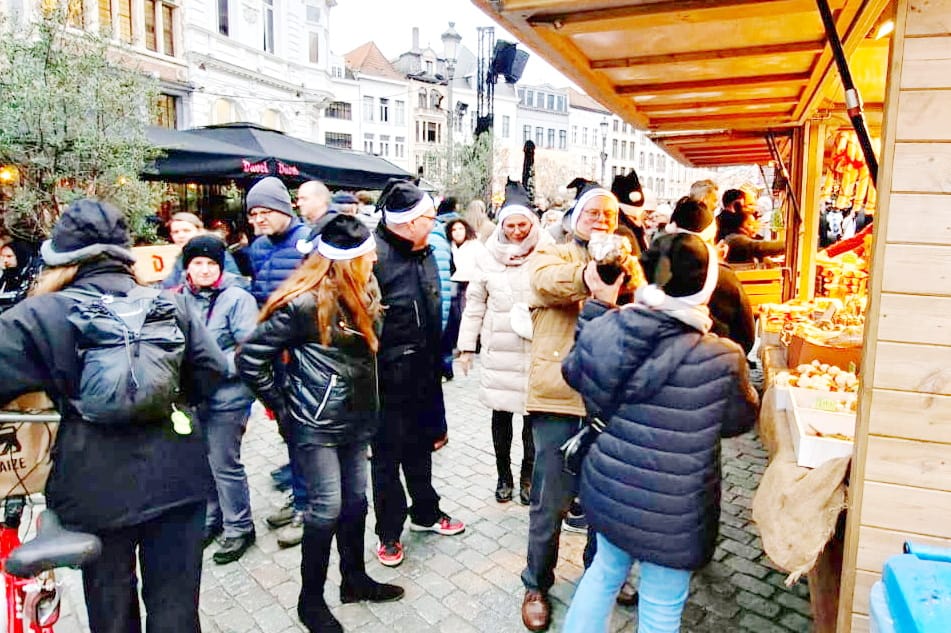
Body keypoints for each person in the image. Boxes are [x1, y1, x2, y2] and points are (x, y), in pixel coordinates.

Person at [0, 199, 229, 633]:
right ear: (125, 254)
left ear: (60, 259)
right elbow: (214, 371)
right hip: (178, 475)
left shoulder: (39, 314)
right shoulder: (169, 303)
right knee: (176, 606)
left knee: (110, 608)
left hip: (93, 484)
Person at [560, 232, 759, 633]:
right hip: (677, 507)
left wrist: (596, 309)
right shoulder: (722, 357)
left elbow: (575, 373)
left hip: (612, 486)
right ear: (706, 287)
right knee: (662, 607)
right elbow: (737, 421)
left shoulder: (610, 325)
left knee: (602, 575)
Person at [238, 215, 404, 633]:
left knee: (356, 502)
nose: (375, 259)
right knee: (325, 508)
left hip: (357, 416)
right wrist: (285, 408)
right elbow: (250, 359)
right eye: (368, 254)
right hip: (315, 423)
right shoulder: (303, 301)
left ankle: (354, 579)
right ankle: (309, 600)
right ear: (348, 260)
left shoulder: (366, 288)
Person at [520, 183, 626, 632]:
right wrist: (591, 275)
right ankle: (536, 583)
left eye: (609, 214)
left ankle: (600, 576)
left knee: (604, 500)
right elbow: (544, 284)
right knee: (550, 501)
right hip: (558, 397)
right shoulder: (553, 253)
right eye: (592, 212)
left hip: (607, 398)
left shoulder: (626, 258)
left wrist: (626, 276)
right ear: (574, 217)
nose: (601, 219)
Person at [370, 180, 465, 569]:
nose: (435, 223)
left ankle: (425, 512)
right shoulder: (373, 257)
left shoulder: (423, 249)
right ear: (408, 223)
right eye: (429, 217)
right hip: (385, 378)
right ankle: (388, 532)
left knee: (421, 447)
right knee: (387, 458)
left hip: (423, 369)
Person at [457, 184, 551, 505]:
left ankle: (528, 476)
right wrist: (466, 347)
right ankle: (503, 475)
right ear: (501, 225)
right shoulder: (487, 255)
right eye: (510, 225)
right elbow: (474, 303)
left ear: (532, 223)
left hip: (535, 346)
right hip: (499, 348)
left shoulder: (547, 251)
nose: (516, 231)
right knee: (501, 416)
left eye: (522, 225)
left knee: (531, 419)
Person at [176, 235, 259, 564]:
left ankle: (240, 526)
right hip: (193, 395)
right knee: (201, 461)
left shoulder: (237, 298)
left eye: (212, 263)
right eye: (198, 263)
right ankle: (212, 517)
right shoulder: (178, 298)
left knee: (224, 462)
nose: (205, 269)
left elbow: (248, 348)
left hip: (228, 394)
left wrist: (209, 366)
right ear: (187, 267)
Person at [246, 176, 315, 548]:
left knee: (304, 431)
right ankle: (299, 494)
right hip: (274, 353)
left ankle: (308, 505)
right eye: (253, 213)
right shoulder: (257, 248)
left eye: (265, 211)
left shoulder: (309, 241)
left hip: (304, 354)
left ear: (283, 208)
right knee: (287, 428)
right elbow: (260, 294)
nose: (258, 219)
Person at [667, 197, 756, 354]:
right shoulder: (721, 275)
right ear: (709, 239)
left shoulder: (651, 268)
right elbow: (746, 336)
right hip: (715, 358)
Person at [161, 212, 242, 289]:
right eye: (176, 232)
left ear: (199, 231)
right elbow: (169, 283)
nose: (181, 236)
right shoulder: (181, 257)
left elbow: (235, 282)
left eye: (186, 231)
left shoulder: (217, 252)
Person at [445, 218, 485, 370]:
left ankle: (472, 343)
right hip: (454, 281)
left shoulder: (475, 245)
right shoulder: (449, 246)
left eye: (460, 229)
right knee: (454, 314)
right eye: (454, 230)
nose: (457, 233)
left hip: (471, 282)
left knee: (467, 312)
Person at [717, 189, 786, 264]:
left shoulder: (735, 230)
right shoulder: (733, 237)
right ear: (734, 207)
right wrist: (789, 244)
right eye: (749, 205)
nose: (754, 208)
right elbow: (758, 247)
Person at [0, 240, 40, 314]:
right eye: (2, 256)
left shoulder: (30, 276)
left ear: (19, 256)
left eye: (9, 256)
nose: (5, 260)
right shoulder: (5, 276)